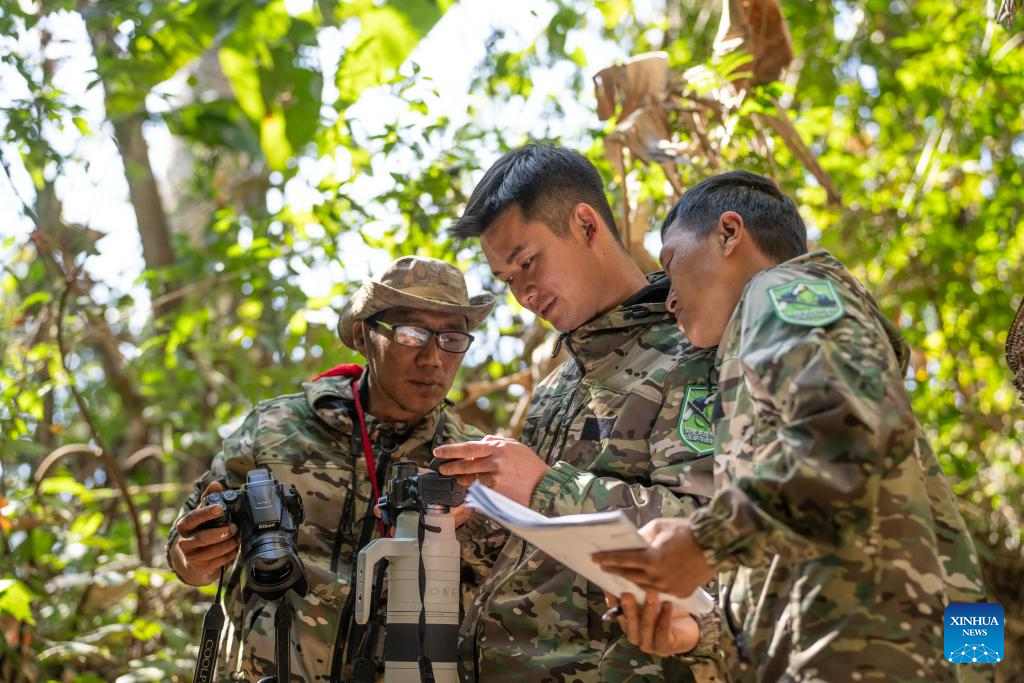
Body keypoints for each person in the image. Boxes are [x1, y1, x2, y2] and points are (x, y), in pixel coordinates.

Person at [594, 170, 990, 681]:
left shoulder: (782, 290)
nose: (668, 299)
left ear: (729, 233)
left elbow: (847, 441)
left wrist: (705, 541)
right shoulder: (771, 348)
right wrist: (702, 632)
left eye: (671, 264)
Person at [434, 144, 721, 682]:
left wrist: (545, 486)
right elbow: (544, 557)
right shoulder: (555, 388)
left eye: (527, 263)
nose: (523, 294)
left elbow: (716, 532)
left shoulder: (695, 353)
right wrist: (474, 526)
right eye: (507, 279)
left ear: (586, 225)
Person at [167, 255, 497, 682]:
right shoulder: (276, 428)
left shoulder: (472, 462)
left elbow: (503, 593)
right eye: (411, 333)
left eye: (451, 338)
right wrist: (194, 556)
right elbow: (186, 543)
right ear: (363, 336)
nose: (433, 358)